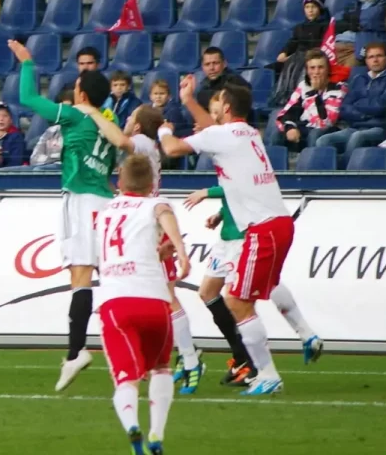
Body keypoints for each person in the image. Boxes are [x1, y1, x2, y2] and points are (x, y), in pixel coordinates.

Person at [159, 77, 305, 395]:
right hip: (276, 224)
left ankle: (266, 373)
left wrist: (162, 127)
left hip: (262, 228)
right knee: (240, 299)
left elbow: (171, 148)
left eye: (219, 101)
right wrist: (188, 100)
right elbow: (212, 129)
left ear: (225, 107)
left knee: (237, 302)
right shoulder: (248, 132)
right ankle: (269, 362)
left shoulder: (222, 135)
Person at [71, 101, 205, 394]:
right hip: (146, 221)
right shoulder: (149, 148)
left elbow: (118, 139)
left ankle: (191, 357)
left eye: (131, 117)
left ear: (141, 125)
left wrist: (93, 113)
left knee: (167, 297)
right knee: (158, 296)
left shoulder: (141, 142)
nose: (127, 120)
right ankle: (171, 356)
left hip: (147, 226)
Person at [9, 38, 115, 392]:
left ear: (82, 95)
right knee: (114, 277)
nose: (72, 92)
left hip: (81, 201)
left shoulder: (73, 115)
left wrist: (27, 63)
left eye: (76, 87)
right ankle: (139, 350)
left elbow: (28, 100)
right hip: (106, 202)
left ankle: (75, 352)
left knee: (81, 276)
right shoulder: (105, 120)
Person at [94, 154, 190, 455]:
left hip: (117, 303)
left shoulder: (103, 212)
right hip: (155, 301)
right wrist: (178, 249)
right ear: (152, 183)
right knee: (161, 368)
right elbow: (163, 212)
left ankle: (132, 424)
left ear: (119, 181)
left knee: (126, 378)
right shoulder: (153, 204)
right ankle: (157, 433)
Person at [185, 181, 324, 377]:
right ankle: (245, 354)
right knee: (208, 292)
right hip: (226, 240)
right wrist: (221, 214)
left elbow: (242, 186)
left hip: (243, 238)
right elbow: (237, 194)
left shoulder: (241, 157)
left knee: (239, 298)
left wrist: (206, 192)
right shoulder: (230, 160)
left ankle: (253, 364)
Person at [314, 42, 386, 165]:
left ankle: (347, 176)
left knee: (357, 137)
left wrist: (358, 104)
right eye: (371, 57)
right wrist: (364, 115)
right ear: (366, 60)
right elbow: (344, 108)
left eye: (379, 56)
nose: (375, 60)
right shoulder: (359, 79)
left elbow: (381, 106)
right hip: (356, 126)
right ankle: (325, 178)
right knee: (323, 140)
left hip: (380, 127)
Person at [270, 50, 347, 150]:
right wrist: (290, 128)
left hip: (329, 131)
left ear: (328, 69)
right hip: (306, 127)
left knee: (315, 134)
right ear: (307, 70)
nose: (316, 72)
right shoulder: (303, 86)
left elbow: (326, 122)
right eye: (312, 68)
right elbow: (287, 112)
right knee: (278, 134)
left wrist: (315, 92)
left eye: (320, 67)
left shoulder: (338, 88)